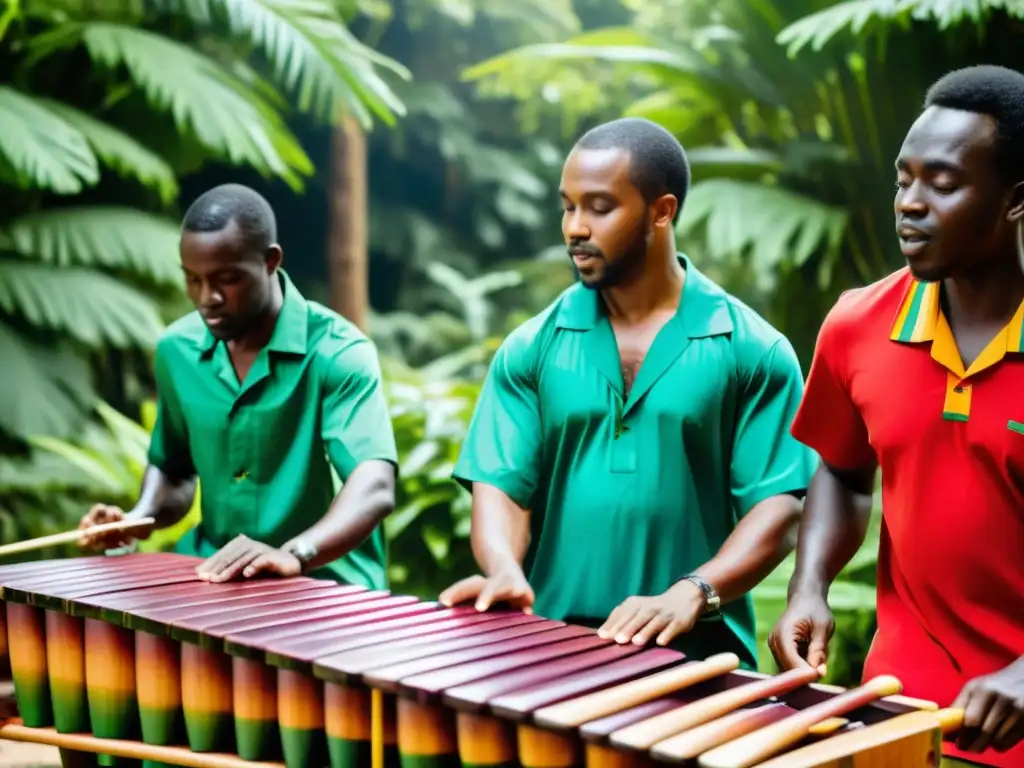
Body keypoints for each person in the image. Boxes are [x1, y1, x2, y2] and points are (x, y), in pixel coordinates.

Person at [438, 117, 818, 669]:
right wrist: (502, 569)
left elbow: (780, 506)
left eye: (599, 206)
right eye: (567, 206)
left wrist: (693, 591)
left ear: (662, 211)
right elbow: (503, 487)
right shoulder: (531, 346)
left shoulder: (752, 349)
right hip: (548, 651)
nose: (574, 227)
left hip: (697, 659)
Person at [767, 65, 1024, 768]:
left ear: (1015, 201)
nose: (910, 203)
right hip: (902, 715)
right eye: (903, 179)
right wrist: (809, 586)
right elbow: (844, 473)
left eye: (942, 183)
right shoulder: (856, 325)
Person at [77, 184, 398, 589]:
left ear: (270, 261)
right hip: (212, 573)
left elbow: (374, 485)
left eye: (227, 280)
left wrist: (295, 553)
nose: (206, 297)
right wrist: (136, 519)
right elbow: (174, 472)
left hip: (324, 581)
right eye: (193, 280)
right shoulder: (177, 351)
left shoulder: (338, 353)